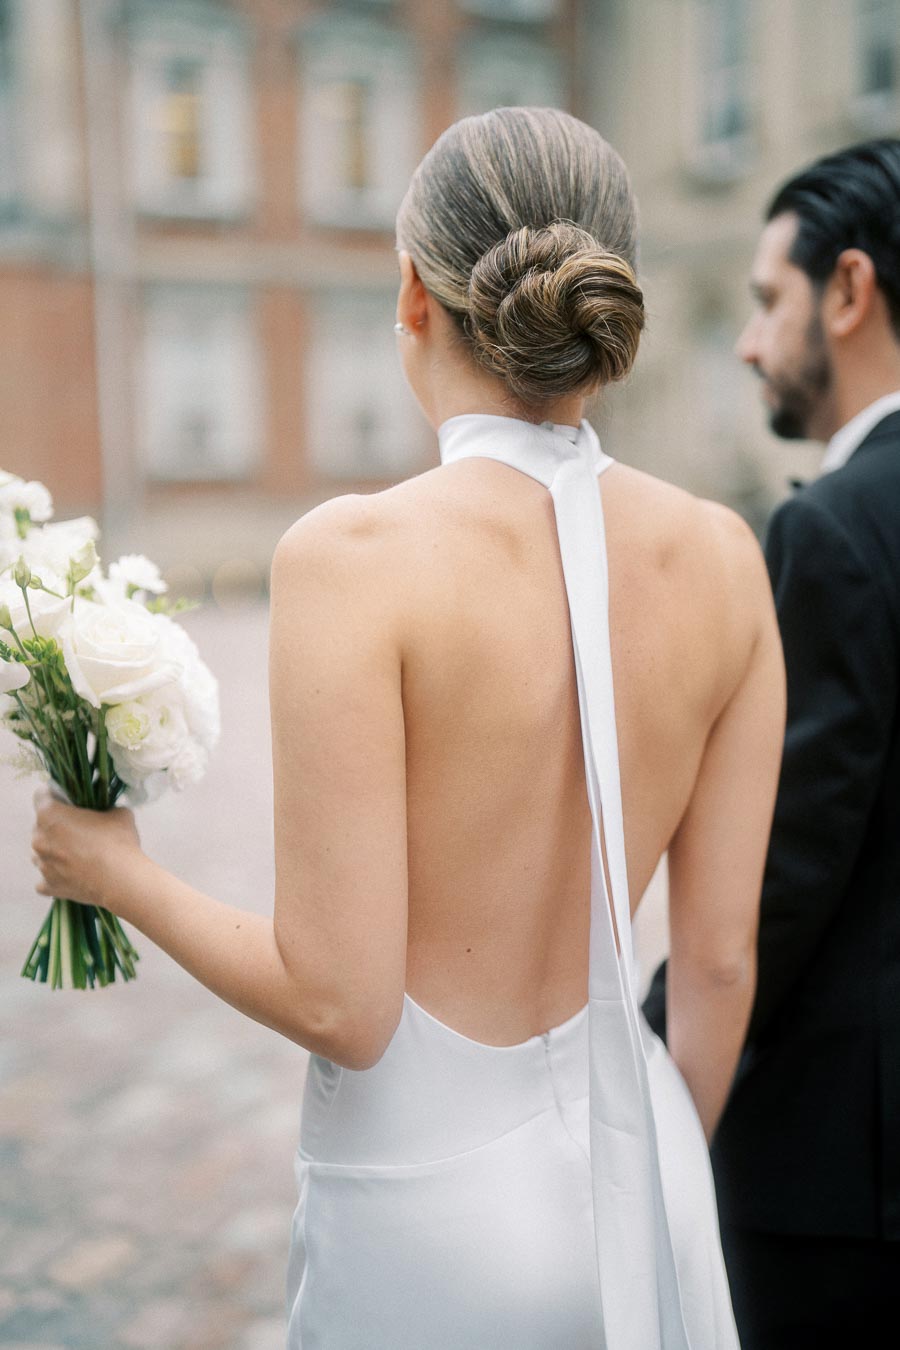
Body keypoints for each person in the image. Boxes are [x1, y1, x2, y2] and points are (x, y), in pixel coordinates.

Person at [31, 108, 783, 1349]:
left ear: (415, 296)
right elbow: (715, 966)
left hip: (431, 1217)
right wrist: (643, 1185)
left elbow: (341, 1003)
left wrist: (112, 871)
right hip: (648, 1176)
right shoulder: (726, 557)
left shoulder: (353, 558)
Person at [644, 138, 900, 1347]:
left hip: (843, 1170)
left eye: (766, 303)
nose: (749, 343)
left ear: (848, 292)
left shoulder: (834, 534)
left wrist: (638, 1056)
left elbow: (770, 886)